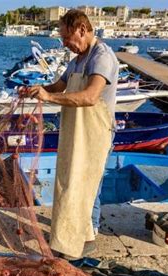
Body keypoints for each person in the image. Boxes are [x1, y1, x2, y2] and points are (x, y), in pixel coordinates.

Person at [23, 10, 118, 259]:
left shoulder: (101, 57)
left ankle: (86, 239)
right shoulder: (77, 59)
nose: (64, 43)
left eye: (66, 37)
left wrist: (50, 98)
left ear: (82, 30)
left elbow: (90, 96)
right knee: (69, 183)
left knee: (87, 187)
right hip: (75, 132)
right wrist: (38, 90)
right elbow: (59, 85)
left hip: (94, 133)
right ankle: (78, 238)